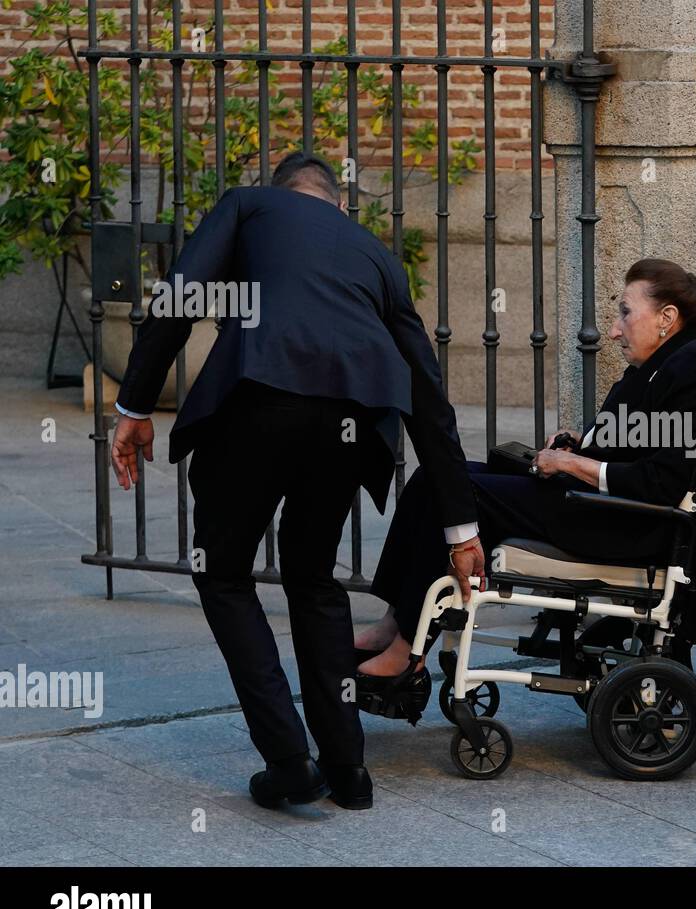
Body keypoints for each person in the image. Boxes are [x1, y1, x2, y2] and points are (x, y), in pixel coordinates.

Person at [109, 153, 485, 812]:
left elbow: (179, 294)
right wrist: (462, 529)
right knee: (313, 579)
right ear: (340, 205)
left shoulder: (248, 205)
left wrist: (135, 406)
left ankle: (289, 761)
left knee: (224, 573)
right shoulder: (376, 255)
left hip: (256, 400)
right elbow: (428, 395)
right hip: (347, 423)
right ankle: (348, 770)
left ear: (281, 193)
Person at [353, 258, 696, 697]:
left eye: (625, 313)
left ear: (667, 317)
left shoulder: (690, 369)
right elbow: (639, 438)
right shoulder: (669, 358)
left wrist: (571, 464)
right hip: (601, 505)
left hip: (625, 524)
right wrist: (582, 441)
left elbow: (660, 482)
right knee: (435, 479)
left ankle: (408, 650)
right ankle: (393, 622)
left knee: (461, 494)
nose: (614, 330)